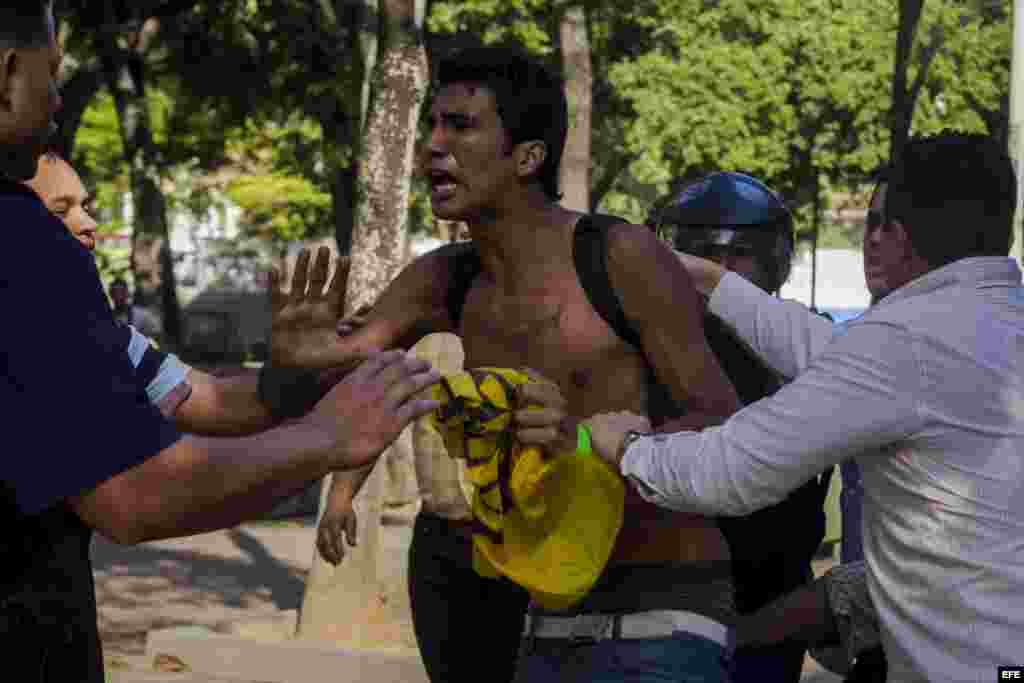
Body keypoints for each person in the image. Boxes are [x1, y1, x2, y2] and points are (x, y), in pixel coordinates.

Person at [0, 5, 441, 681]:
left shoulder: (95, 325)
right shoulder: (22, 247)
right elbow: (133, 495)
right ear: (8, 75)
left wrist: (290, 380)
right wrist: (328, 437)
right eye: (51, 73)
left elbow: (198, 399)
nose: (82, 226)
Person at [297, 46, 742, 682]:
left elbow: (723, 421)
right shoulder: (443, 277)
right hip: (542, 611)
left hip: (664, 610)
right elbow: (348, 370)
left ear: (528, 157)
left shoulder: (619, 255)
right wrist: (301, 354)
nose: (433, 147)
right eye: (434, 125)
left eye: (462, 126)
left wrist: (589, 443)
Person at [552, 132, 1024, 682]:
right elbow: (835, 353)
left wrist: (624, 447)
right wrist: (713, 280)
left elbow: (733, 471)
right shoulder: (991, 321)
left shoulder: (904, 343)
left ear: (895, 234)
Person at [653, 171, 830, 683]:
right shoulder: (647, 344)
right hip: (671, 595)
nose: (721, 272)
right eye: (705, 254)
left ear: (773, 259)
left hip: (772, 598)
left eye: (739, 255)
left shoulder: (805, 346)